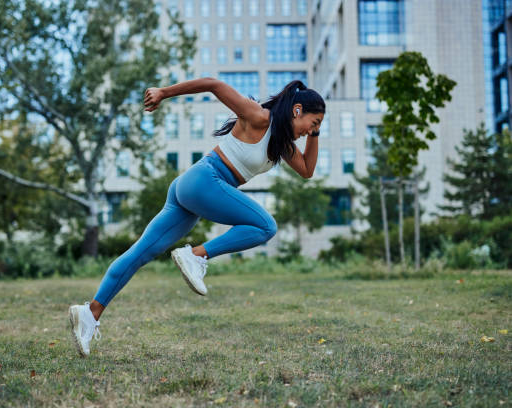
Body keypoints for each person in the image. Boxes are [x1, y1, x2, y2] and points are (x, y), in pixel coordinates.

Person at [69, 78, 325, 356]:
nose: (311, 131)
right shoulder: (259, 116)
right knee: (265, 226)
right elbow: (214, 84)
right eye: (313, 123)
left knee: (141, 252)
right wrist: (163, 93)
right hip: (206, 179)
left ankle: (91, 312)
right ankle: (197, 255)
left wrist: (315, 135)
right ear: (297, 110)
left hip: (191, 188)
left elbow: (307, 170)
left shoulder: (281, 144)